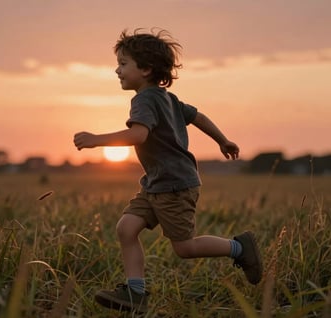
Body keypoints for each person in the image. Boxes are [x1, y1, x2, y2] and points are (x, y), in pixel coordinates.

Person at [73, 28, 262, 314]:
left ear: (146, 69)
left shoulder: (145, 100)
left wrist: (95, 140)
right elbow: (197, 116)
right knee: (126, 228)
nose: (117, 70)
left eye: (124, 64)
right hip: (155, 184)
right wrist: (222, 140)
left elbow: (138, 136)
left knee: (185, 248)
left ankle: (239, 247)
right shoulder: (167, 98)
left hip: (174, 185)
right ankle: (135, 293)